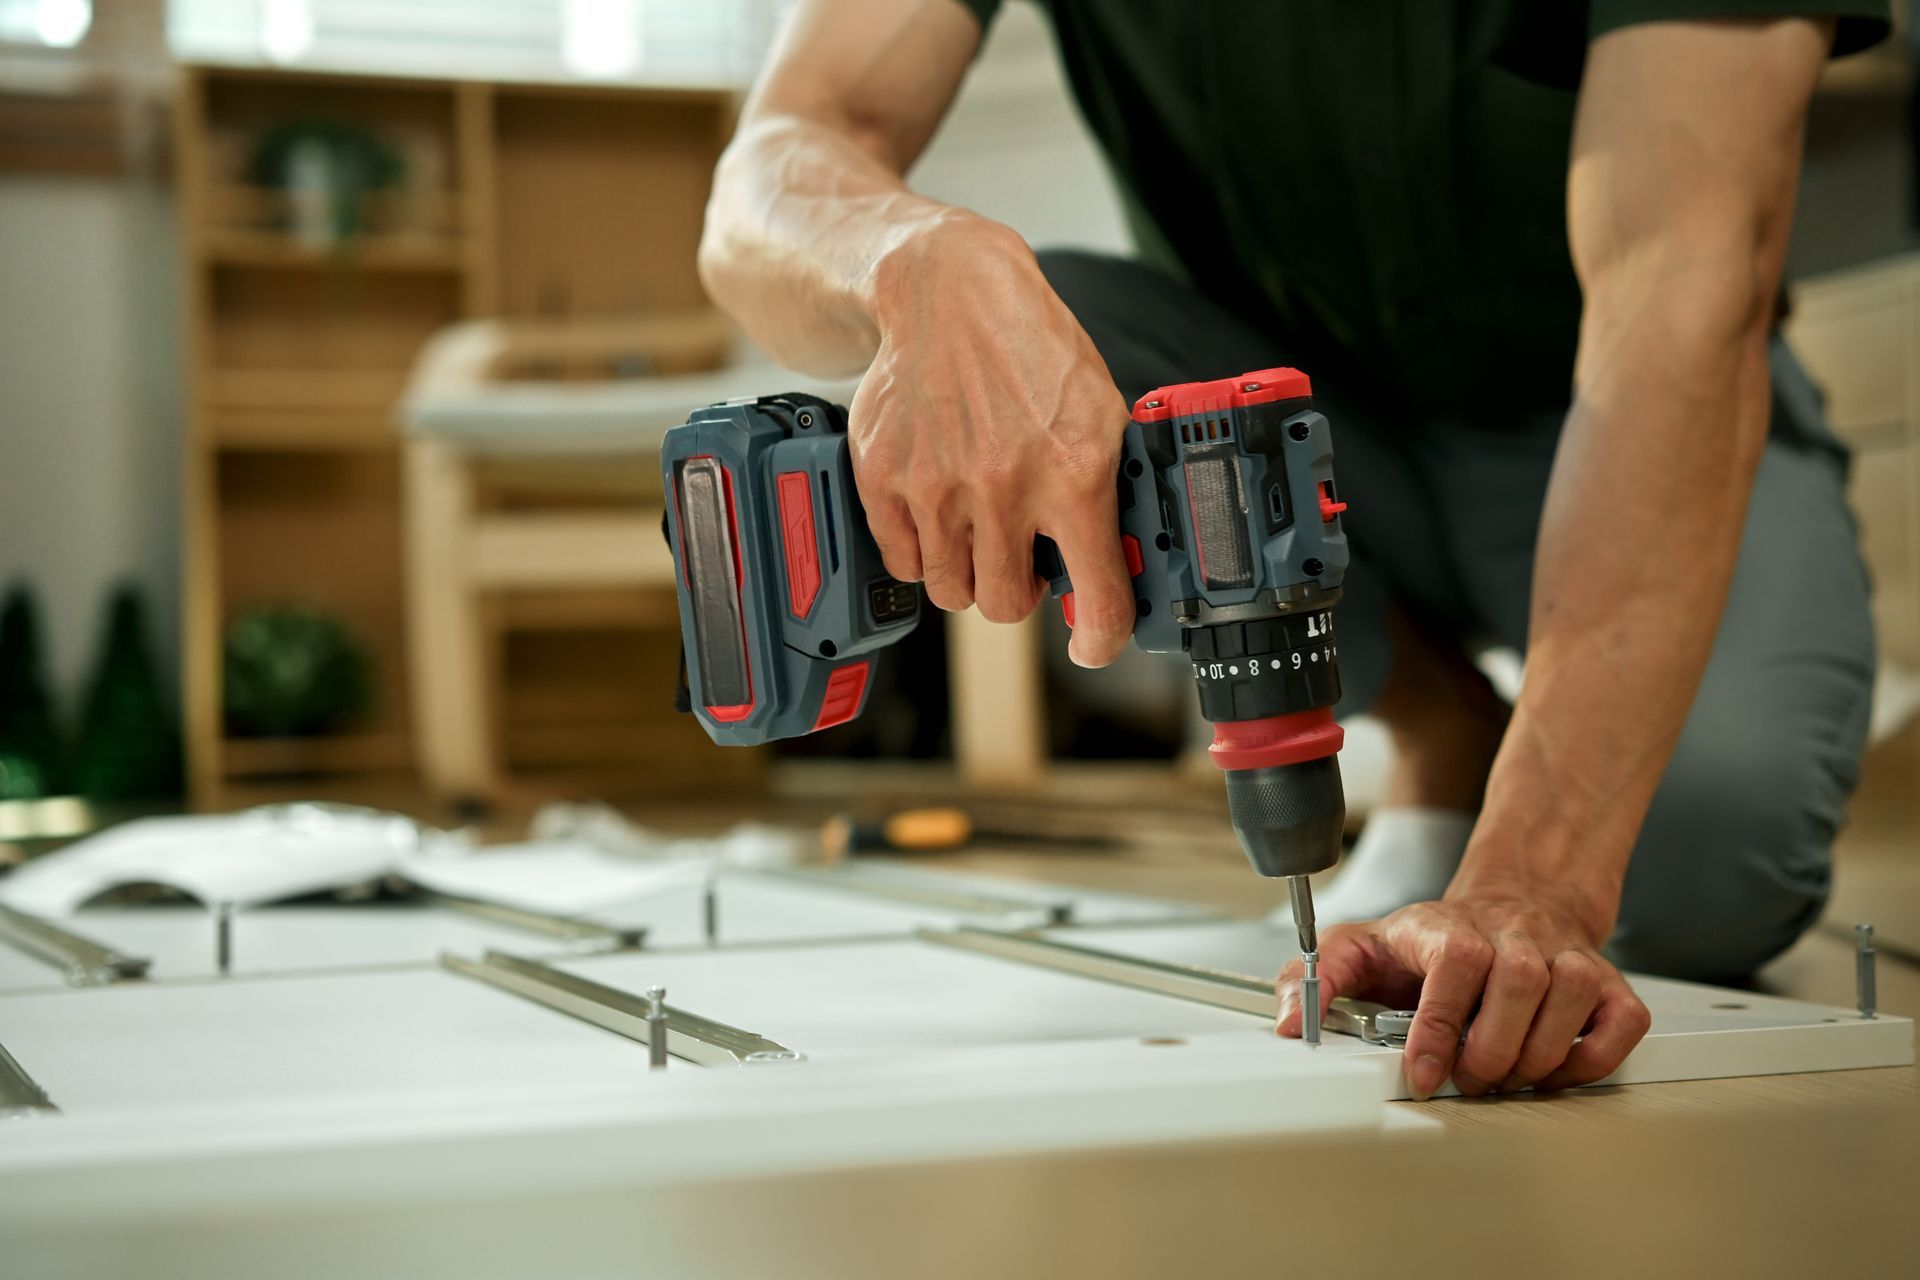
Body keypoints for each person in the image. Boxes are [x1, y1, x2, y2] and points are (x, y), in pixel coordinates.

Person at [696, 0, 1887, 1098]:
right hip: (1272, 412)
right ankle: (1441, 720)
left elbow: (1682, 285)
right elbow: (773, 166)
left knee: (1700, 872)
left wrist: (1535, 881)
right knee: (1050, 310)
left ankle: (1517, 790)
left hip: (1616, 403)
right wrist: (909, 262)